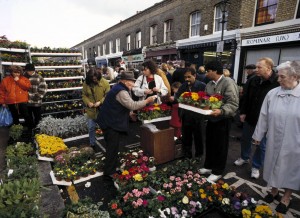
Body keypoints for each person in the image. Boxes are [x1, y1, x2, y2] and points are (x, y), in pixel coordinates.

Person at [252, 61, 300, 214]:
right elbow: (264, 116)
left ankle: (286, 197)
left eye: (282, 77)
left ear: (295, 76)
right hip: (273, 138)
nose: (278, 80)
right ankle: (273, 191)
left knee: (291, 170)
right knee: (272, 164)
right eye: (278, 76)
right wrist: (258, 135)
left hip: (295, 142)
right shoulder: (273, 94)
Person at [96, 71, 156, 178]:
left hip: (109, 120)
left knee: (113, 146)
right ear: (124, 81)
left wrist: (129, 114)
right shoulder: (121, 91)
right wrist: (147, 101)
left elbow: (121, 105)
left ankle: (112, 167)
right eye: (131, 81)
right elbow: (132, 105)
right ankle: (109, 172)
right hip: (110, 123)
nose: (133, 84)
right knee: (112, 147)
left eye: (133, 81)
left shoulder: (118, 87)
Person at [234, 57, 279, 179]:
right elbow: (246, 97)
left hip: (267, 121)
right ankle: (244, 157)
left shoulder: (277, 82)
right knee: (245, 139)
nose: (256, 69)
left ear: (269, 68)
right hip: (251, 116)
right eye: (256, 67)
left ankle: (256, 166)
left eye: (259, 67)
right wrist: (242, 112)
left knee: (261, 145)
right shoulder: (253, 80)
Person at [198, 60, 239, 182]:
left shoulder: (228, 83)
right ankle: (209, 166)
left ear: (215, 71)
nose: (206, 74)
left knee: (220, 146)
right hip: (211, 118)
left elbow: (233, 103)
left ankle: (218, 171)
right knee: (210, 143)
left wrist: (221, 111)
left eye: (208, 71)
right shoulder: (209, 84)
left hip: (223, 119)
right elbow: (205, 99)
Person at [175, 68, 206, 159]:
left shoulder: (202, 86)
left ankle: (198, 156)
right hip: (185, 116)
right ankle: (187, 155)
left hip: (198, 117)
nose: (187, 79)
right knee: (186, 137)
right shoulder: (183, 86)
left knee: (198, 138)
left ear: (195, 76)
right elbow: (177, 96)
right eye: (185, 77)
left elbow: (206, 100)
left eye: (189, 77)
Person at [82, 68, 110, 147]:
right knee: (91, 128)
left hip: (102, 110)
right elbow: (84, 95)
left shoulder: (104, 82)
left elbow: (108, 95)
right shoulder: (86, 83)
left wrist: (100, 102)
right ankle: (92, 144)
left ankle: (108, 143)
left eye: (96, 79)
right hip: (91, 110)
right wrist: (88, 103)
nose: (95, 80)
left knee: (105, 128)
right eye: (93, 79)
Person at [24, 63, 47, 128]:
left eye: (31, 71)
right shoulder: (23, 77)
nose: (29, 72)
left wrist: (36, 97)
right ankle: (30, 129)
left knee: (37, 117)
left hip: (36, 103)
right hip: (26, 103)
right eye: (28, 71)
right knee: (28, 117)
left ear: (33, 70)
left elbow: (43, 89)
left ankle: (38, 130)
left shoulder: (39, 77)